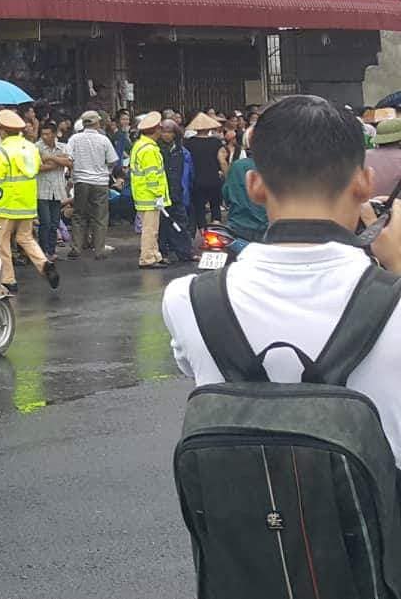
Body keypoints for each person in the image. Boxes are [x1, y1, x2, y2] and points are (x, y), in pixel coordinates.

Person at [163, 95, 401, 456]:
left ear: (255, 186)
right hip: (377, 511)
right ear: (365, 184)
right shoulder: (394, 300)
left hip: (244, 510)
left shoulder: (187, 299)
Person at [0, 108, 56, 292]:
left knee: (3, 244)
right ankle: (44, 264)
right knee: (25, 237)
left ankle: (9, 280)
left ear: (2, 130)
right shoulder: (31, 148)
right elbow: (35, 169)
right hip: (27, 204)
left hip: (6, 205)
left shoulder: (0, 151)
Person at [66, 110, 118, 258]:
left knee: (78, 215)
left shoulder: (74, 139)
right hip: (100, 182)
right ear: (97, 123)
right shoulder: (104, 140)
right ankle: (99, 250)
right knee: (100, 217)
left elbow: (68, 158)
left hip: (81, 181)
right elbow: (113, 160)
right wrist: (106, 171)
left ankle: (76, 248)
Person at [129, 111, 171, 268]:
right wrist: (158, 195)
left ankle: (154, 255)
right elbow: (152, 176)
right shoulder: (149, 149)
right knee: (150, 230)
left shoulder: (140, 145)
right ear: (156, 130)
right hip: (151, 196)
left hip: (144, 194)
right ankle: (147, 258)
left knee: (152, 229)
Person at [35, 122, 71, 259]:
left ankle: (51, 251)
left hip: (57, 189)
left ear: (54, 134)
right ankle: (43, 251)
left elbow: (69, 162)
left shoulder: (62, 146)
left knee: (55, 222)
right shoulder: (36, 148)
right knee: (45, 222)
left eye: (48, 134)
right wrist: (58, 162)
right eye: (43, 134)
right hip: (42, 190)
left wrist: (50, 158)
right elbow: (37, 167)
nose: (44, 137)